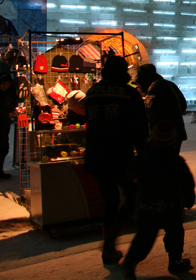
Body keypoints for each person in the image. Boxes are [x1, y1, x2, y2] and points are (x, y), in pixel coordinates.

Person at [85, 56, 148, 265]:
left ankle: (108, 247)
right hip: (120, 155)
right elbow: (140, 130)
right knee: (129, 197)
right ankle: (110, 244)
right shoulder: (129, 93)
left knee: (110, 200)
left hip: (96, 155)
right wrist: (143, 158)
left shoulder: (92, 92)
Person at [119, 121, 196, 280]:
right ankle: (175, 260)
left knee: (144, 238)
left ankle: (130, 263)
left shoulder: (142, 159)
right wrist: (189, 200)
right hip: (171, 205)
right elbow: (188, 184)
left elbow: (130, 173)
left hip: (147, 205)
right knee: (175, 234)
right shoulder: (177, 163)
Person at [135, 64, 188, 153]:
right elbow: (183, 105)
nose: (139, 88)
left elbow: (150, 112)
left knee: (165, 161)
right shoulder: (166, 83)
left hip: (165, 133)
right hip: (173, 131)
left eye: (139, 84)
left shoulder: (155, 87)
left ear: (144, 79)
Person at [0, 72, 16, 182]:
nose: (5, 86)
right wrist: (6, 114)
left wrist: (13, 111)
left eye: (7, 84)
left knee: (3, 149)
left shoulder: (10, 91)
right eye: (4, 84)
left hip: (4, 126)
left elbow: (13, 103)